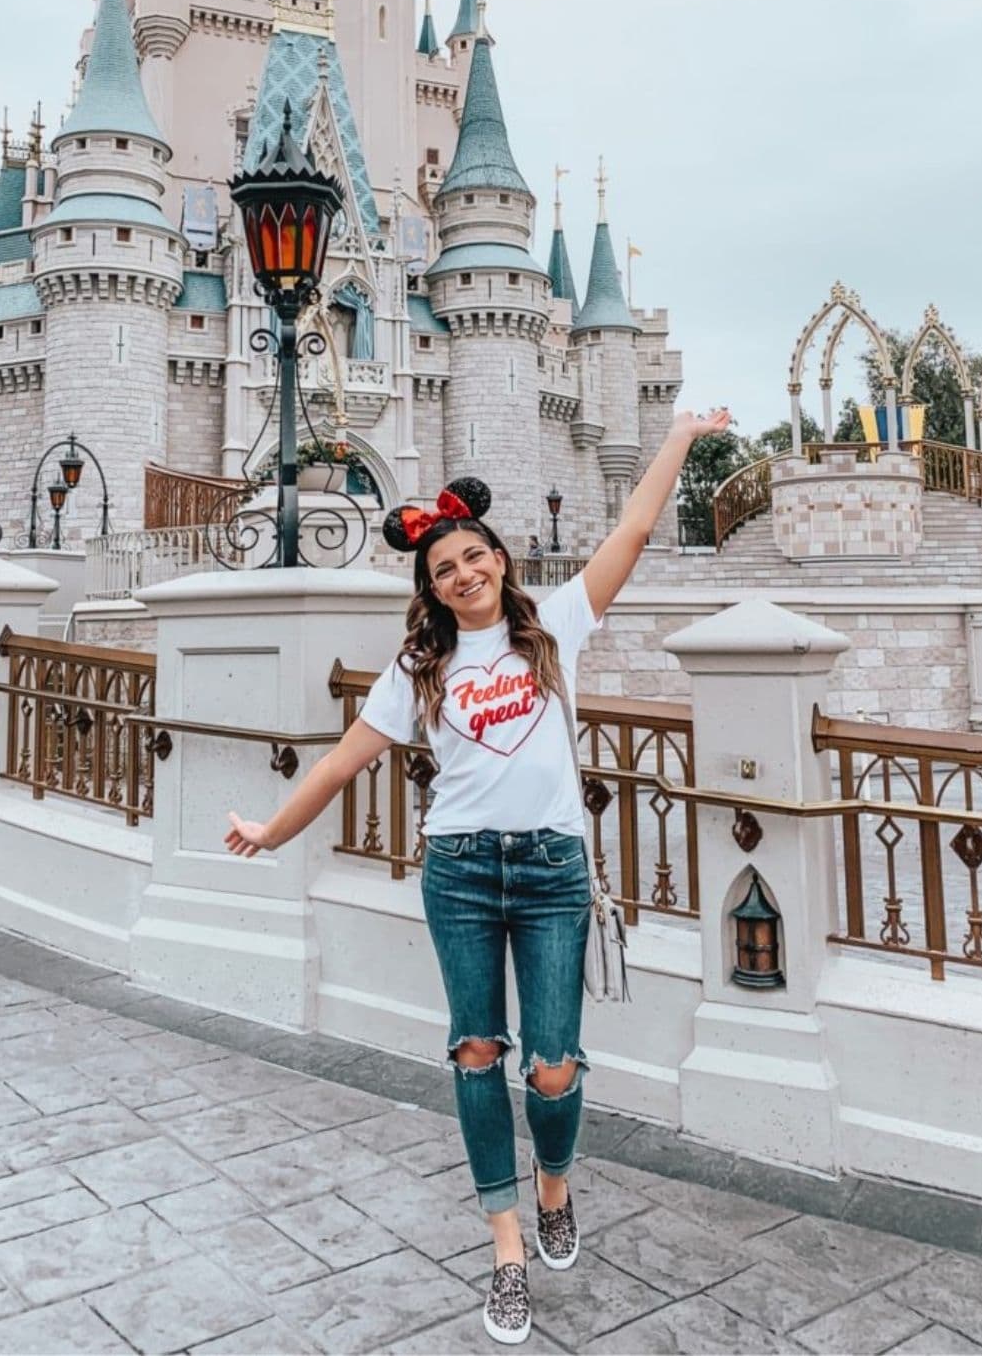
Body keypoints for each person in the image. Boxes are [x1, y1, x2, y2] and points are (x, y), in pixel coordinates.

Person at [225, 408, 731, 1345]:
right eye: (443, 569)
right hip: (457, 871)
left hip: (550, 870)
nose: (462, 574)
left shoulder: (556, 627)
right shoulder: (420, 664)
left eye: (472, 556)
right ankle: (506, 1249)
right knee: (474, 1052)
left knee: (551, 1066)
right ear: (431, 588)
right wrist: (271, 829)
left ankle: (552, 1188)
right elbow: (341, 763)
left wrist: (680, 439)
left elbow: (631, 532)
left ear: (497, 556)